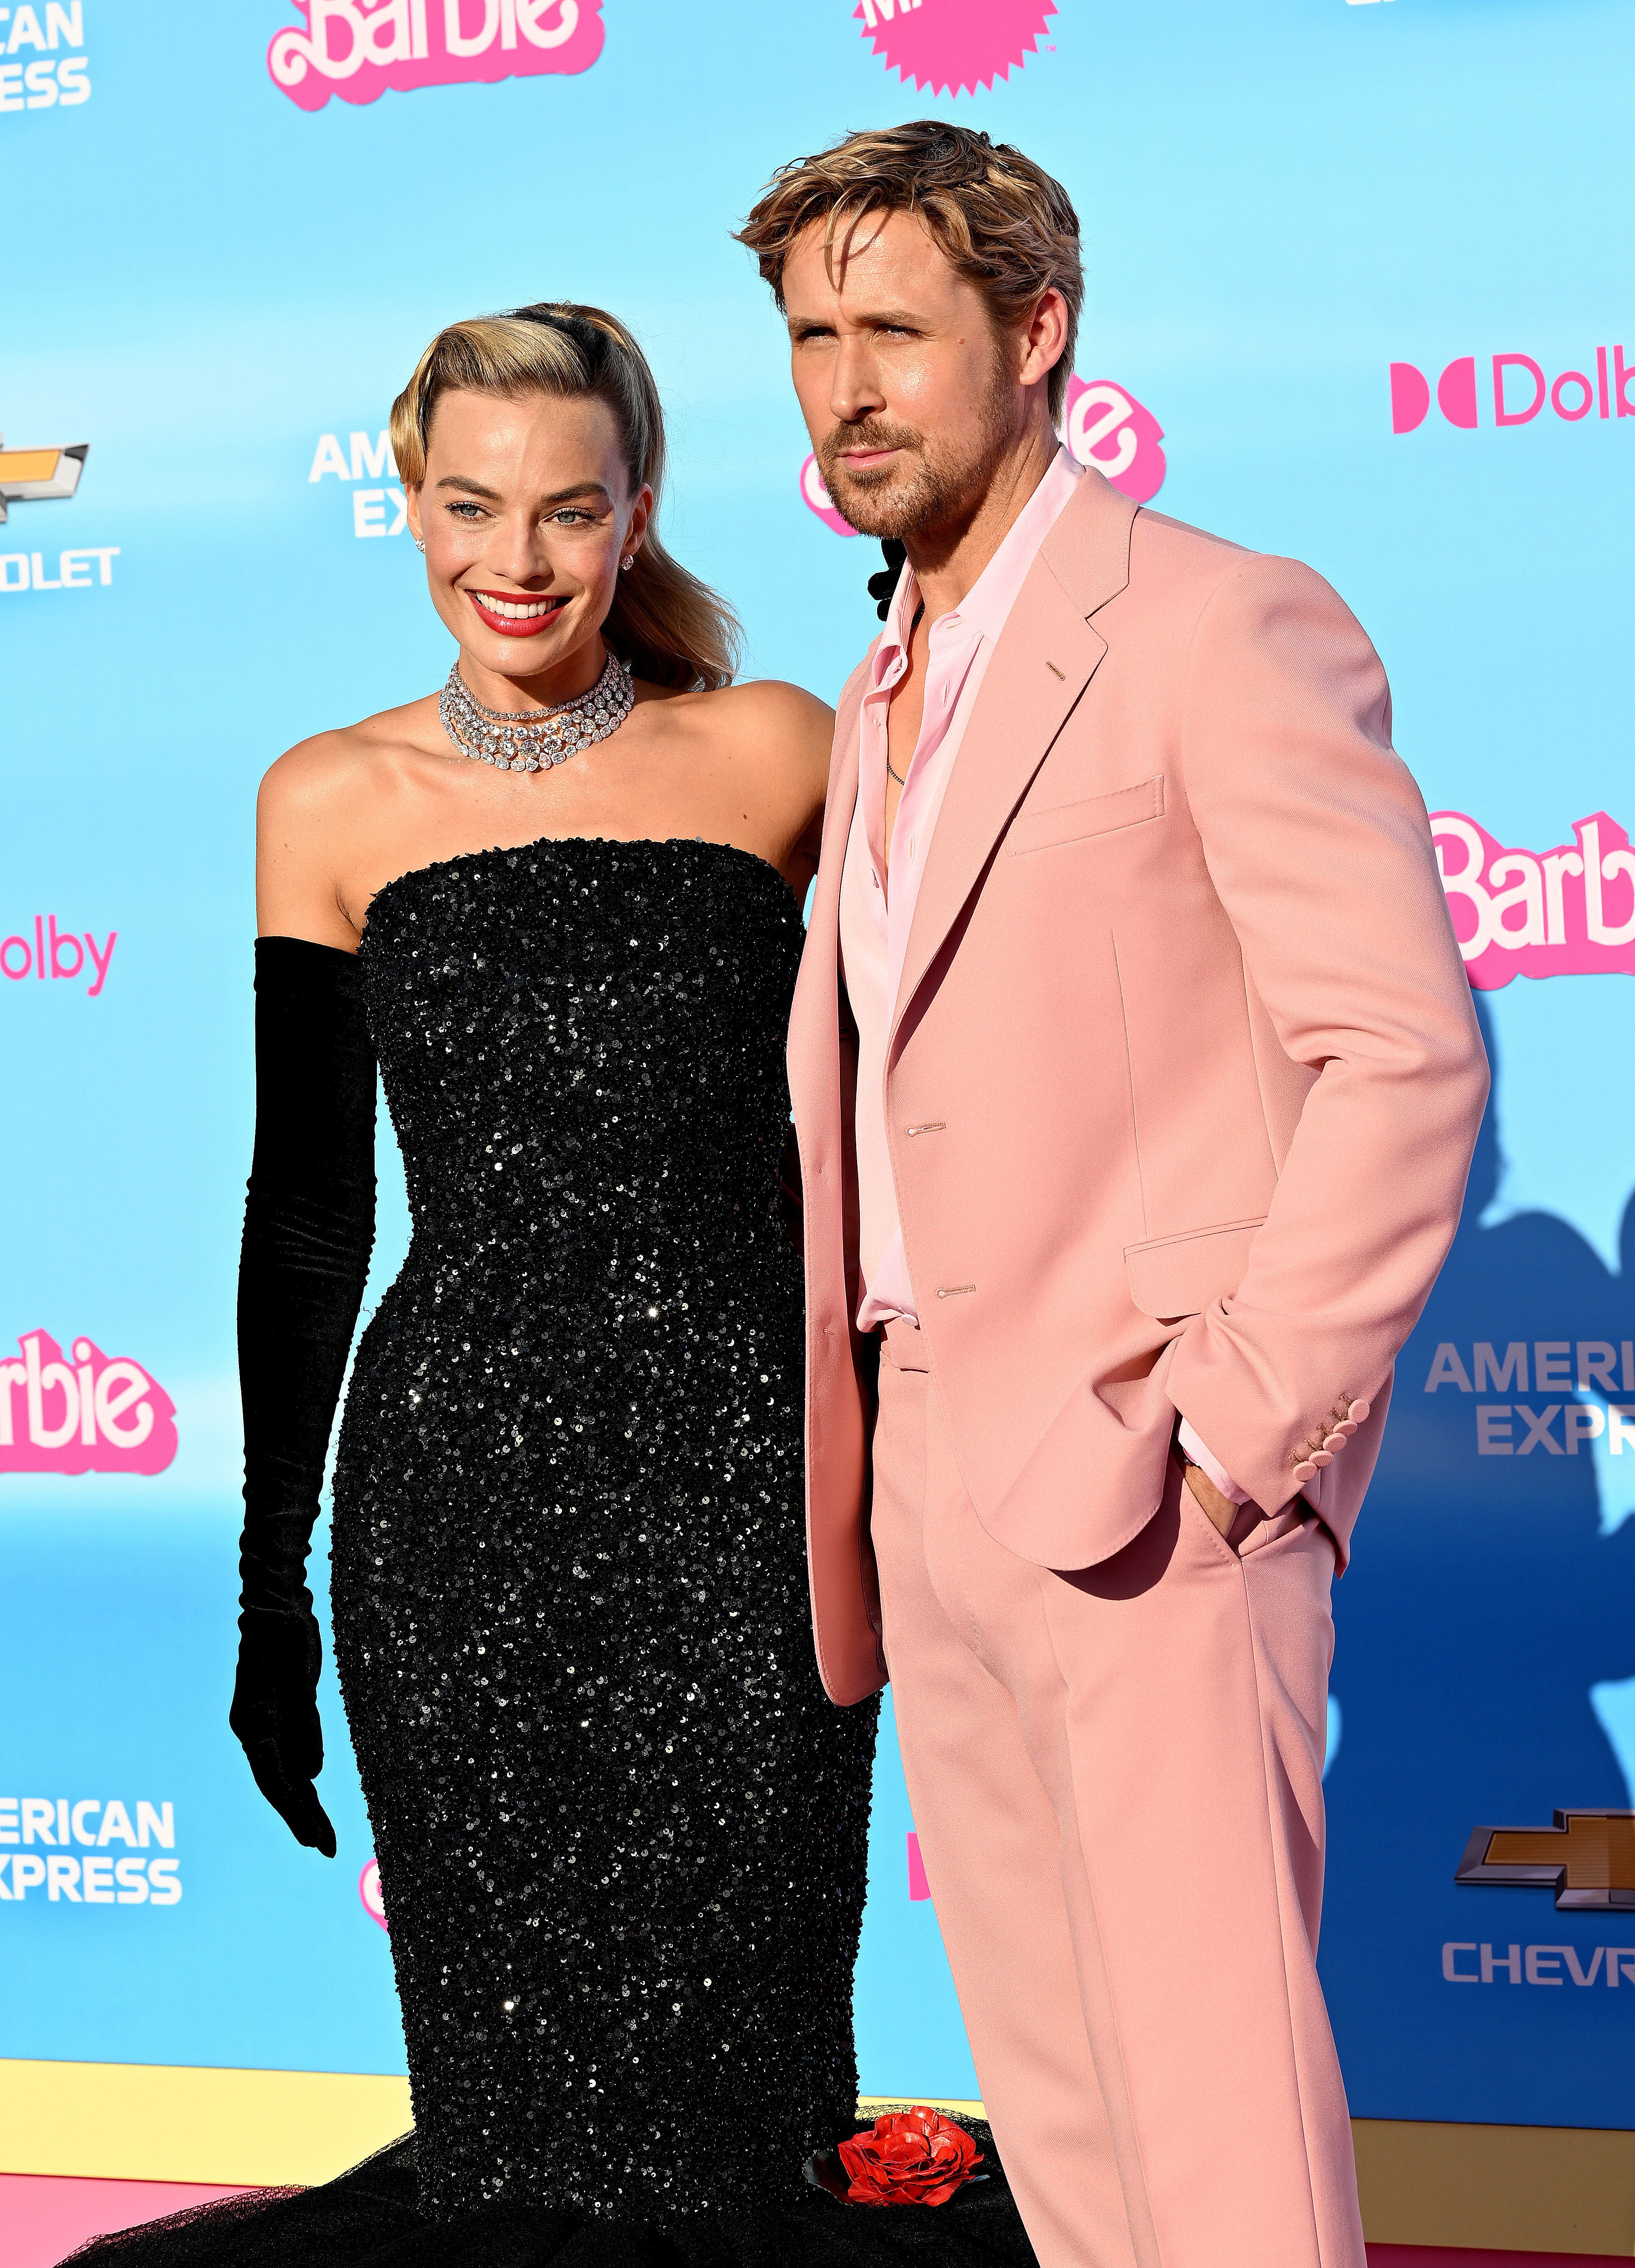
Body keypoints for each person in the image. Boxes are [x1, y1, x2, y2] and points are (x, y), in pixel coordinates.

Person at [65, 305, 1031, 2267]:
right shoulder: (324, 799)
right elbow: (308, 1214)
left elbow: (929, 1102)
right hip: (458, 1515)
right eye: (468, 504)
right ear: (406, 505)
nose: (514, 560)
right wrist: (271, 1582)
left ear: (636, 514)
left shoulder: (778, 746)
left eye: (567, 511)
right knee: (514, 2135)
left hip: (745, 1501)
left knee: (748, 2094)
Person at [737, 123, 1489, 2268]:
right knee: (1063, 2142)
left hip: (1151, 1485)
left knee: (1220, 2139)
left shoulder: (1216, 624)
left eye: (893, 330)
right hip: (924, 1488)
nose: (843, 388)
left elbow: (1404, 1050)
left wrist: (1239, 1425)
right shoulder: (877, 684)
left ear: (1037, 331)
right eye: (809, 337)